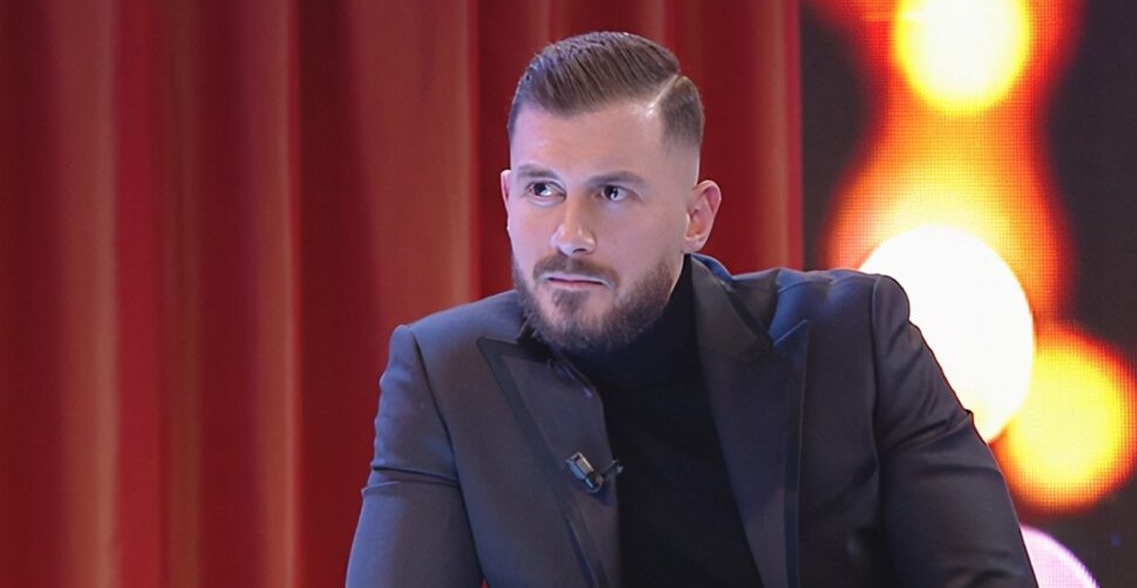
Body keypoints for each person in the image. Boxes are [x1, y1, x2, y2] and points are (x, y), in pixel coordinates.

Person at [346, 31, 1036, 587]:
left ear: (695, 217)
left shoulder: (855, 338)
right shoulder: (447, 374)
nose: (569, 235)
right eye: (542, 190)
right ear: (507, 198)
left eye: (612, 193)